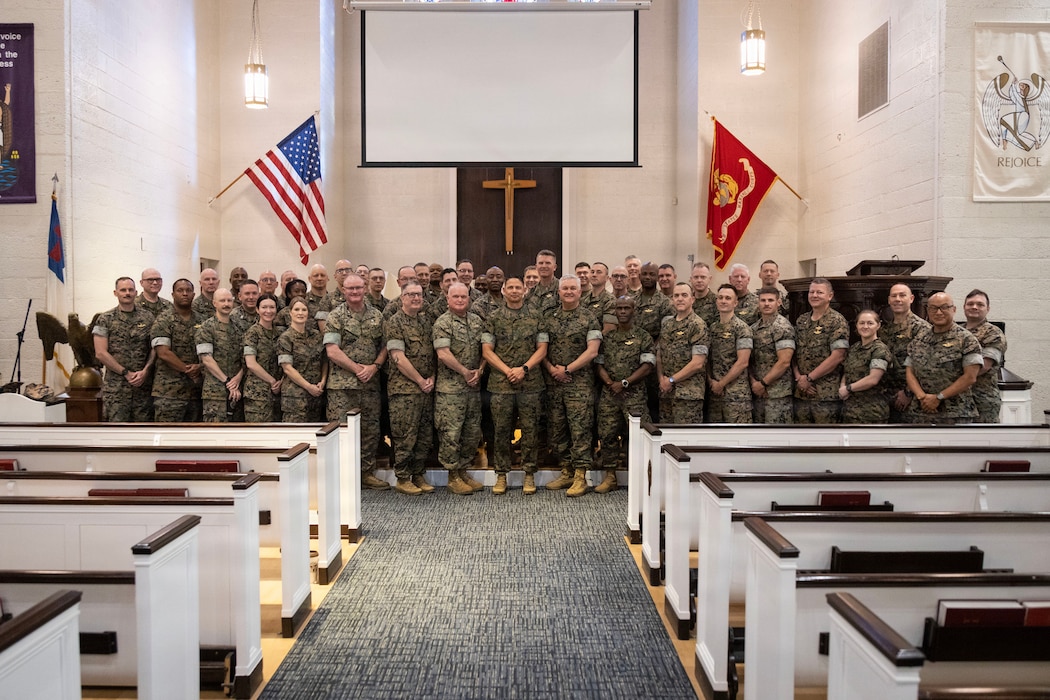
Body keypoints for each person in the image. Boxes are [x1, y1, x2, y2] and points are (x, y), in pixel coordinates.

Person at [481, 276, 548, 495]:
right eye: (510, 287)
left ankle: (529, 474)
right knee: (501, 431)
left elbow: (542, 348)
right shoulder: (493, 317)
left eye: (518, 287)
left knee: (530, 431)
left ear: (525, 290)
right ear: (503, 290)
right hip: (501, 384)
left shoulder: (536, 316)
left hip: (530, 384)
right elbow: (487, 351)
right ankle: (501, 475)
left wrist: (524, 369)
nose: (514, 290)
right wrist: (508, 370)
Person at [324, 274, 389, 489]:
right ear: (343, 290)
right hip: (342, 387)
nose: (354, 292)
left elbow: (385, 346)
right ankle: (343, 477)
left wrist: (374, 367)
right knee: (342, 431)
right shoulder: (335, 316)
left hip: (370, 385)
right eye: (350, 288)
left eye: (358, 288)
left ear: (365, 288)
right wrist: (357, 369)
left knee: (370, 430)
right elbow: (332, 351)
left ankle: (366, 473)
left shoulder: (377, 316)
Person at [543, 275, 602, 497]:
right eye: (565, 288)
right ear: (559, 292)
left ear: (579, 292)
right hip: (554, 384)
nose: (568, 292)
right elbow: (541, 349)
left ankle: (580, 476)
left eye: (572, 288)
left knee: (580, 430)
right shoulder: (549, 317)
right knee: (557, 429)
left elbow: (592, 351)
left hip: (580, 384)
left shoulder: (589, 318)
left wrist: (567, 369)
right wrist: (552, 369)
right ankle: (566, 470)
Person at [595, 296, 654, 492]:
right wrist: (610, 383)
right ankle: (610, 476)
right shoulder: (608, 338)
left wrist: (625, 383)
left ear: (633, 311)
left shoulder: (643, 336)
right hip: (610, 395)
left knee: (638, 436)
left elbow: (647, 366)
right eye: (619, 308)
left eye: (626, 308)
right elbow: (599, 364)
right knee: (607, 434)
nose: (622, 311)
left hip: (634, 396)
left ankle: (639, 477)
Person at [433, 283, 486, 495]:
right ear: (447, 299)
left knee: (471, 432)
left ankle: (463, 470)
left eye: (464, 296)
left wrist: (480, 370)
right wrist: (465, 372)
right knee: (451, 434)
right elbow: (443, 353)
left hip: (473, 388)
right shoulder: (442, 322)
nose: (460, 300)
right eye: (455, 296)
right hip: (451, 390)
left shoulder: (476, 321)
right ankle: (452, 475)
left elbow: (485, 349)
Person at [384, 283, 437, 495]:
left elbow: (433, 354)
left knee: (424, 435)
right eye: (411, 294)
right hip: (404, 390)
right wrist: (420, 380)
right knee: (405, 435)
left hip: (426, 389)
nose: (416, 298)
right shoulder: (394, 322)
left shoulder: (425, 322)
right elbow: (398, 357)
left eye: (419, 294)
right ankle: (403, 477)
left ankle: (418, 473)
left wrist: (431, 378)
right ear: (402, 298)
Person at [905, 292, 983, 424]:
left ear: (954, 309)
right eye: (933, 308)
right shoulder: (919, 339)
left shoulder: (966, 339)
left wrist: (938, 398)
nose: (938, 312)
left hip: (955, 413)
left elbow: (970, 377)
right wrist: (922, 397)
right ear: (927, 310)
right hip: (921, 412)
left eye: (944, 307)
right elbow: (909, 372)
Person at [93, 276, 156, 422]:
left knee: (143, 431)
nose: (127, 293)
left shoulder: (148, 317)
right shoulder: (105, 319)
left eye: (130, 290)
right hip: (117, 389)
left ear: (136, 292)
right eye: (123, 290)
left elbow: (154, 348)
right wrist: (125, 373)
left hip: (143, 387)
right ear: (115, 293)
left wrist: (146, 370)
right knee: (117, 430)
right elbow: (100, 353)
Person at [793, 278, 849, 424]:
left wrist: (809, 378)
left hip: (825, 394)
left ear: (830, 296)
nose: (814, 295)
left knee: (825, 436)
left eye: (819, 292)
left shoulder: (837, 321)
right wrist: (799, 378)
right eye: (811, 292)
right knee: (800, 435)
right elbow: (794, 353)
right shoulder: (801, 320)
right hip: (801, 392)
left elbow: (838, 356)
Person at [150, 278, 205, 422]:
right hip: (169, 392)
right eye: (180, 290)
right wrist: (189, 371)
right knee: (167, 434)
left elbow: (210, 350)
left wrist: (200, 366)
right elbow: (163, 353)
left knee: (194, 434)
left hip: (196, 392)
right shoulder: (163, 320)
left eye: (188, 290)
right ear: (173, 294)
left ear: (194, 294)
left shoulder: (202, 320)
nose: (185, 294)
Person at [657, 282, 709, 423]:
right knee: (665, 435)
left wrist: (671, 380)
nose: (680, 299)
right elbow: (660, 355)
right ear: (672, 299)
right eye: (676, 295)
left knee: (686, 436)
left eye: (684, 295)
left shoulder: (698, 325)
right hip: (666, 392)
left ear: (692, 299)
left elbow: (697, 363)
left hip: (688, 394)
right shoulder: (667, 325)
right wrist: (661, 379)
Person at [878, 283, 931, 423]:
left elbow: (924, 366)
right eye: (894, 296)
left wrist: (908, 392)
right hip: (885, 396)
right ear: (889, 300)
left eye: (902, 295)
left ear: (911, 298)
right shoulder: (883, 331)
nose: (898, 299)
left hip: (911, 398)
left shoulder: (922, 329)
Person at [195, 288, 245, 422]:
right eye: (222, 301)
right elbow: (207, 360)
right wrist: (227, 381)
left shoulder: (239, 327)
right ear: (214, 303)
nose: (226, 304)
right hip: (215, 393)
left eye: (229, 300)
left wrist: (238, 379)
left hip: (238, 391)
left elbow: (245, 359)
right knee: (215, 431)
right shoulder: (206, 328)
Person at [706, 284, 753, 423]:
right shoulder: (712, 328)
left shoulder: (742, 328)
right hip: (715, 393)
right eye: (720, 297)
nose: (723, 301)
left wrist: (721, 384)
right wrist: (711, 381)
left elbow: (743, 362)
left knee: (738, 434)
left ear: (735, 303)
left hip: (736, 395)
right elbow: (707, 359)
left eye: (728, 298)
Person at [749, 287, 795, 423]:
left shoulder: (782, 327)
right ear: (758, 303)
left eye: (770, 300)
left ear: (778, 302)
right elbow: (749, 360)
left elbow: (784, 362)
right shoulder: (753, 328)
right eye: (763, 300)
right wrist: (755, 383)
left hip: (778, 393)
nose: (766, 304)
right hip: (757, 392)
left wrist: (763, 383)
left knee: (777, 433)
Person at [278, 296, 328, 422]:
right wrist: (308, 387)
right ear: (290, 313)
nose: (300, 313)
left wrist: (323, 381)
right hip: (295, 397)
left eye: (304, 310)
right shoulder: (285, 338)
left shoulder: (316, 336)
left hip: (316, 395)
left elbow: (324, 361)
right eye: (296, 309)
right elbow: (287, 368)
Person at [963, 289, 1008, 423]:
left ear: (987, 309)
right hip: (957, 401)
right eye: (970, 304)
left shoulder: (993, 333)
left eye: (980, 304)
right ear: (964, 307)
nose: (974, 307)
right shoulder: (956, 331)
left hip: (981, 401)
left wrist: (952, 381)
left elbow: (984, 366)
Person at [838, 310, 891, 423]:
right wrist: (842, 386)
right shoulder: (854, 348)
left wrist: (848, 388)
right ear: (856, 325)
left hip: (871, 413)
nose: (865, 326)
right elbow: (847, 371)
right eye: (862, 323)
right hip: (850, 411)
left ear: (878, 325)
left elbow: (873, 379)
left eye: (870, 323)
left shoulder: (879, 349)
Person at [243, 293, 283, 423]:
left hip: (277, 393)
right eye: (264, 307)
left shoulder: (280, 333)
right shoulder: (252, 333)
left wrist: (281, 382)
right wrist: (272, 381)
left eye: (272, 307)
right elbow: (250, 363)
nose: (268, 311)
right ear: (257, 310)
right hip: (257, 394)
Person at [585, 262, 616, 332]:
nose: (594, 275)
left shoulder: (610, 300)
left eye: (599, 272)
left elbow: (609, 329)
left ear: (607, 278)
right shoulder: (583, 299)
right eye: (592, 272)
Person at [526, 249, 559, 314]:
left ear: (554, 267)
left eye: (548, 263)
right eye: (541, 263)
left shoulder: (562, 289)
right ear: (536, 267)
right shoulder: (531, 292)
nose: (544, 266)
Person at [690, 261, 717, 327]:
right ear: (691, 279)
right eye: (696, 277)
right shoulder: (687, 300)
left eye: (703, 277)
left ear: (709, 279)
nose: (699, 280)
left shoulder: (717, 302)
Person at [306, 264, 330, 331]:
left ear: (327, 278)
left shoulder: (333, 300)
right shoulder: (303, 301)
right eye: (316, 275)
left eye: (322, 275)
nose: (319, 278)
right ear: (309, 279)